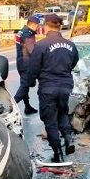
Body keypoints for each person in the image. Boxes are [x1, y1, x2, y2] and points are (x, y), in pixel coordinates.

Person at [26, 14, 79, 163]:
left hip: (48, 87)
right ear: (60, 26)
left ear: (46, 26)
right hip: (65, 86)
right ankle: (69, 140)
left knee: (50, 120)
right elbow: (74, 62)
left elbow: (33, 68)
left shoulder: (41, 46)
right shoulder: (70, 45)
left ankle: (58, 153)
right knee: (62, 113)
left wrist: (30, 83)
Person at [13, 15, 40, 115]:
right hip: (26, 64)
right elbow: (31, 50)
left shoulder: (22, 31)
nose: (38, 27)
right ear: (32, 24)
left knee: (25, 85)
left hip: (21, 62)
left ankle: (27, 107)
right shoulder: (27, 34)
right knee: (24, 86)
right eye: (37, 25)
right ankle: (12, 106)